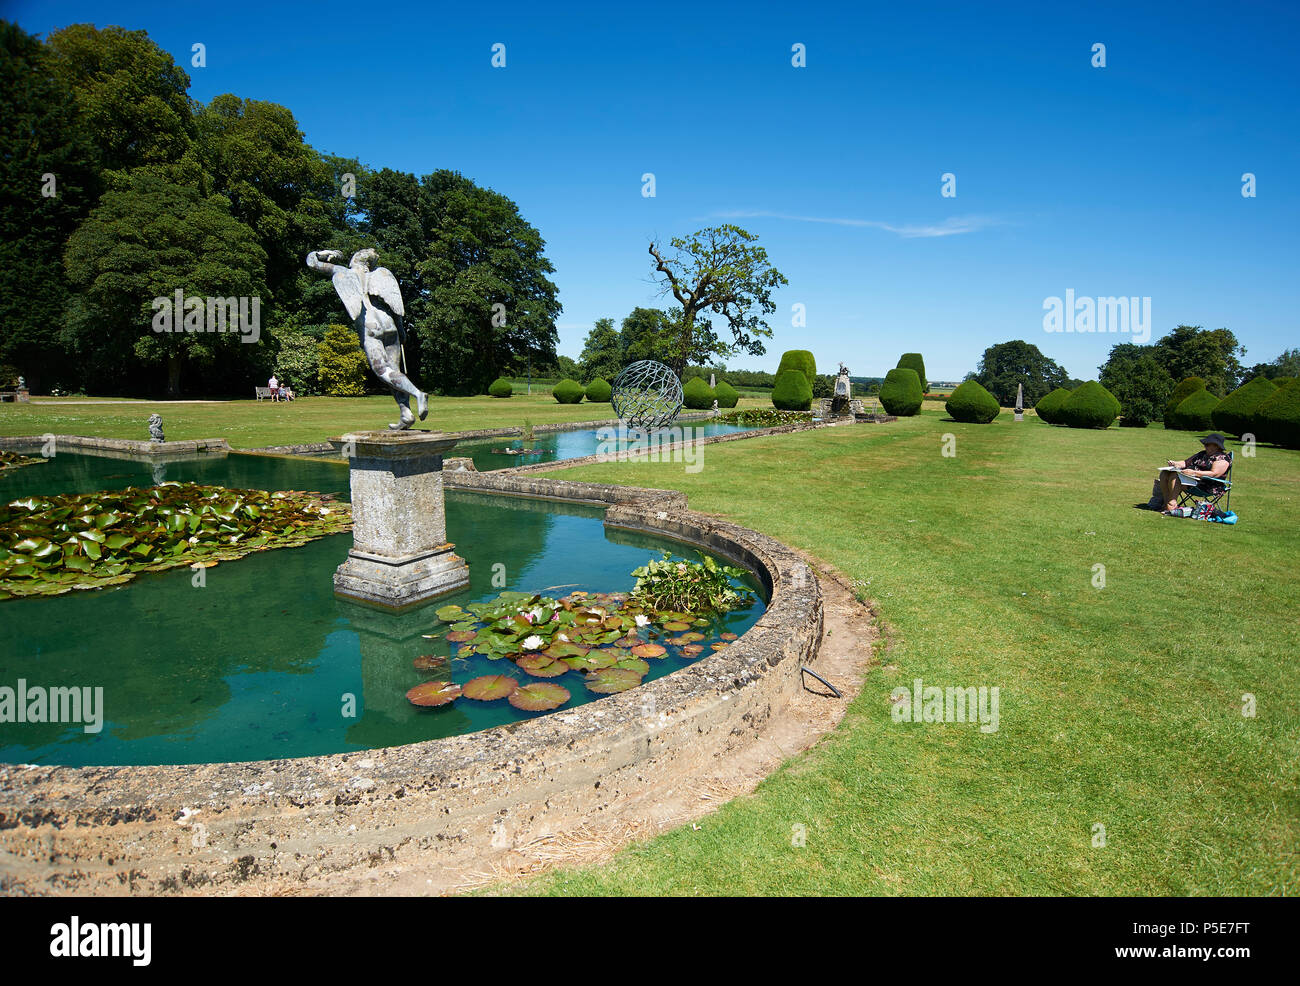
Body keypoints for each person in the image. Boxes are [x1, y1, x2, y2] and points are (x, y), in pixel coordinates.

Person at [1151, 433, 1231, 513]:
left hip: (1207, 485)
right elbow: (1186, 463)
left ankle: (1171, 505)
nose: (1205, 446)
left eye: (1207, 444)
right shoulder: (1202, 454)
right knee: (1165, 473)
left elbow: (1214, 473)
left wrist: (1194, 473)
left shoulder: (1222, 458)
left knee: (1175, 476)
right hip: (1192, 480)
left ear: (1216, 446)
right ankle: (1165, 503)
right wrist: (1175, 463)